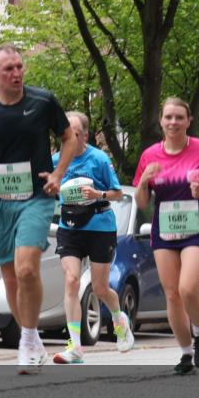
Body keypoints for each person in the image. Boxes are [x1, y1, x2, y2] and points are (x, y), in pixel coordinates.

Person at [0, 44, 77, 374]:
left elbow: (68, 138)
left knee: (27, 269)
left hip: (36, 196)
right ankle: (31, 337)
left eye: (20, 67)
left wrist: (57, 174)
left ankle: (27, 338)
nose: (16, 73)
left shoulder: (42, 101)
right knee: (10, 276)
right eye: (9, 69)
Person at [133, 97, 199, 375]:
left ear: (188, 121)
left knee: (187, 288)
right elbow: (142, 203)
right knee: (171, 294)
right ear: (161, 121)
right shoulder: (150, 155)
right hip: (164, 230)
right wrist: (143, 180)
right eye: (168, 117)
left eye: (179, 117)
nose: (173, 122)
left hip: (197, 229)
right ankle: (185, 353)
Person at [51, 111, 134, 364]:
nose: (70, 137)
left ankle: (120, 320)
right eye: (65, 133)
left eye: (75, 133)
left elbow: (118, 194)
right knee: (72, 280)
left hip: (99, 226)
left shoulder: (98, 159)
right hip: (70, 226)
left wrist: (97, 194)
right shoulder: (55, 160)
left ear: (84, 134)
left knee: (99, 289)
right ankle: (75, 347)